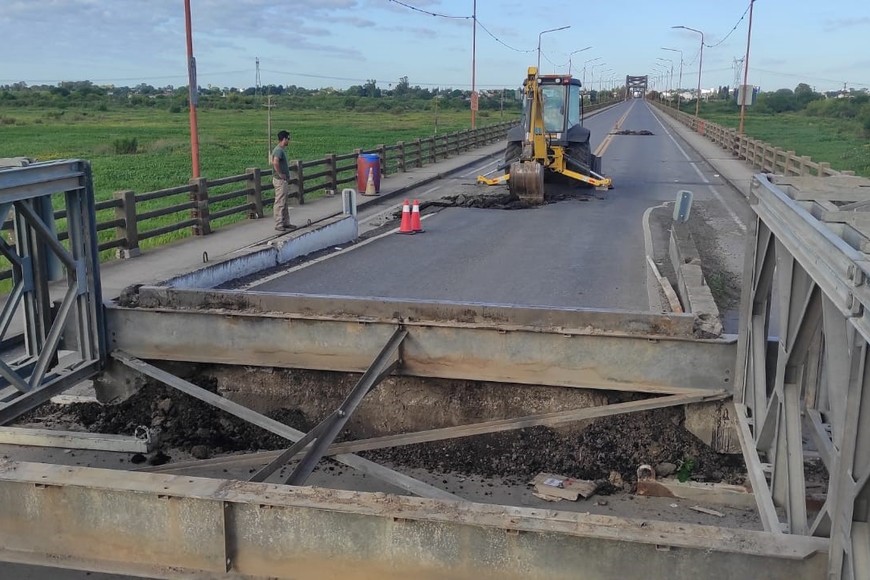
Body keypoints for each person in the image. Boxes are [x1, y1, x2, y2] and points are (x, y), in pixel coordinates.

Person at [271, 130, 295, 231]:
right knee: (280, 201)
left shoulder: (281, 150)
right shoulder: (278, 150)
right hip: (280, 180)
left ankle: (285, 222)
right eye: (288, 138)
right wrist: (280, 174)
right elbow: (275, 162)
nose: (289, 141)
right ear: (284, 139)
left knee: (284, 201)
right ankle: (279, 223)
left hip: (283, 180)